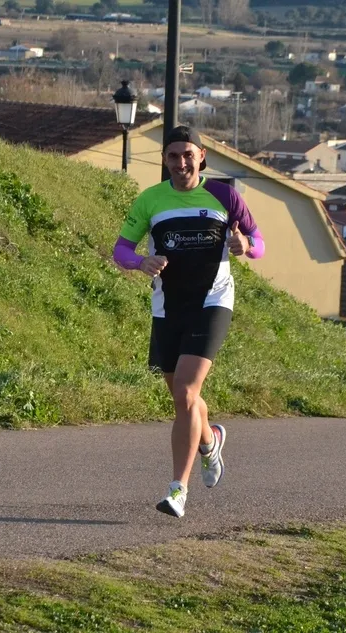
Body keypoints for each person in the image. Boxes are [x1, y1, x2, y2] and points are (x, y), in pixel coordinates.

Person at [112, 125, 265, 518]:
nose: (181, 163)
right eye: (173, 156)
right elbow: (121, 250)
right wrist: (141, 262)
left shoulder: (225, 196)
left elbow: (259, 243)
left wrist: (246, 245)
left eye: (188, 155)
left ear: (201, 157)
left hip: (213, 302)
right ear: (165, 160)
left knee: (184, 391)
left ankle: (177, 490)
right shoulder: (151, 200)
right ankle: (210, 439)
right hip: (168, 306)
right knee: (184, 398)